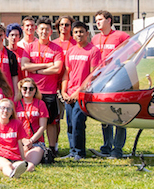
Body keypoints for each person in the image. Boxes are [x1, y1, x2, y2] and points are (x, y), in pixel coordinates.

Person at [22, 18, 64, 163]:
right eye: (41, 29)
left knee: (51, 122)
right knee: (32, 119)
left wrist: (37, 69)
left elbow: (57, 68)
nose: (44, 32)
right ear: (37, 31)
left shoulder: (56, 48)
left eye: (47, 29)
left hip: (50, 91)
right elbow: (24, 66)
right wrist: (46, 66)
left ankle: (52, 149)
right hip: (33, 91)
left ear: (51, 31)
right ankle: (32, 145)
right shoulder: (29, 47)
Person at [61, 20, 103, 161]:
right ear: (73, 35)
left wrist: (77, 93)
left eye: (81, 32)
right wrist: (63, 91)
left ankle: (80, 152)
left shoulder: (93, 51)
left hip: (83, 94)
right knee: (70, 123)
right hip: (69, 93)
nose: (79, 34)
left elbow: (92, 76)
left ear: (87, 34)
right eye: (76, 32)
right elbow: (67, 73)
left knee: (78, 121)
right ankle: (72, 150)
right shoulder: (71, 51)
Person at [92, 9, 131, 158]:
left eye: (100, 19)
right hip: (102, 81)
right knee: (105, 115)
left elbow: (136, 52)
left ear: (109, 20)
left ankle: (118, 148)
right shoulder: (95, 39)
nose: (97, 23)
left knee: (119, 114)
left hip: (118, 80)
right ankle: (106, 146)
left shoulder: (121, 36)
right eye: (96, 20)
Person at [0, 98, 29, 178]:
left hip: (14, 157)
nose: (5, 111)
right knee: (7, 165)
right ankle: (12, 174)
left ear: (12, 112)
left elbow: (20, 144)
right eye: (3, 108)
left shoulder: (17, 124)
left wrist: (23, 159)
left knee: (30, 166)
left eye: (8, 109)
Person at [15, 76, 49, 170]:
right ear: (21, 90)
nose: (28, 91)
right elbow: (13, 127)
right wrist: (23, 141)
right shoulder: (16, 104)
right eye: (25, 88)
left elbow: (42, 127)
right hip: (19, 141)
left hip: (36, 142)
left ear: (35, 90)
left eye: (31, 88)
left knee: (29, 161)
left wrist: (31, 141)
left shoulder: (40, 104)